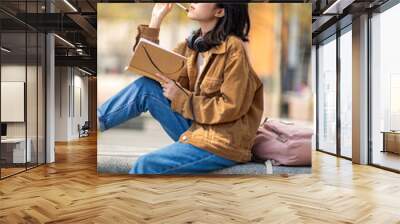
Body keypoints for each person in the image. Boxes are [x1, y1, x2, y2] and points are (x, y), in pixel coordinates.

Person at [97, 3, 264, 174]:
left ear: (220, 11)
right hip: (197, 127)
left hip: (222, 141)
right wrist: (156, 20)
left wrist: (182, 97)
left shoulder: (234, 48)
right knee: (146, 87)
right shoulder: (192, 45)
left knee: (146, 164)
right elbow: (149, 68)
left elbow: (231, 106)